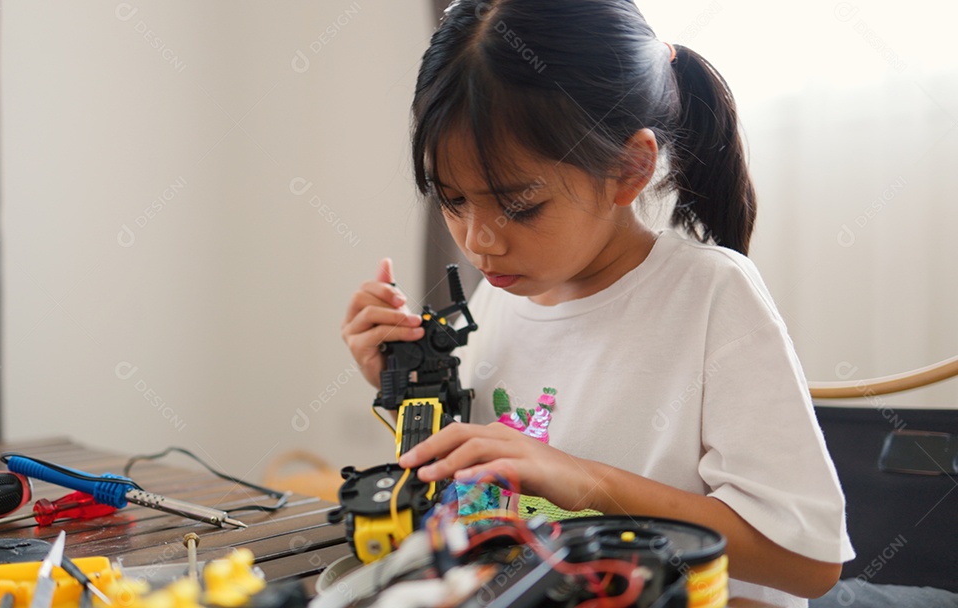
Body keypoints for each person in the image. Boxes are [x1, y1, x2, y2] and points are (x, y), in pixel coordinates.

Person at [340, 1, 854, 605]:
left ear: (629, 168)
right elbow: (479, 496)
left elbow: (809, 562)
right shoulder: (504, 292)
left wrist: (584, 481)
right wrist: (408, 387)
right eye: (452, 200)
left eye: (519, 205)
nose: (478, 240)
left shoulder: (711, 295)